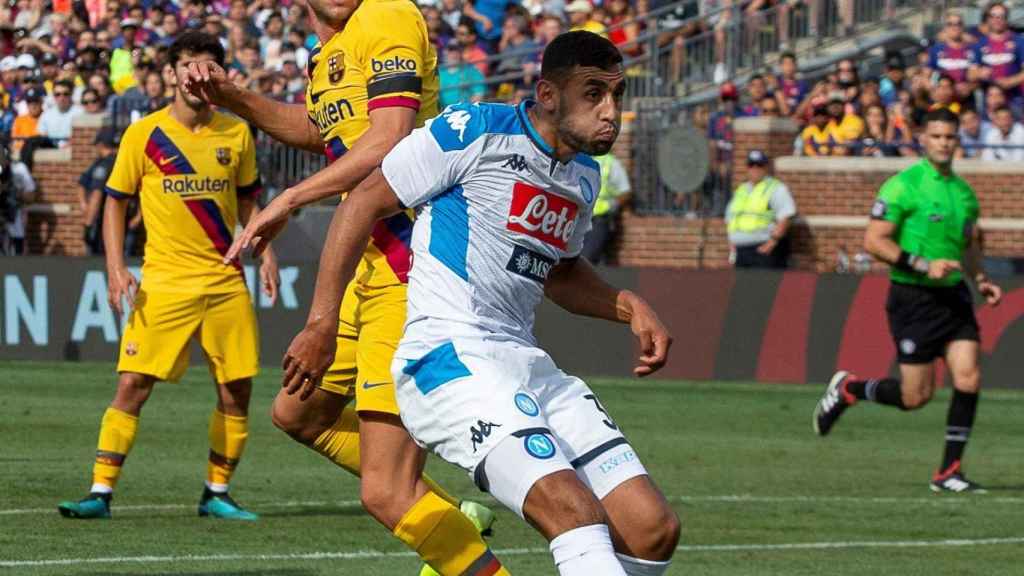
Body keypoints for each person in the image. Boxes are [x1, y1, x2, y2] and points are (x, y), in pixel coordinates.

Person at [284, 30, 680, 576]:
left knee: (651, 529)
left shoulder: (584, 175)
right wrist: (321, 323)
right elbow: (362, 204)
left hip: (523, 362)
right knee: (574, 513)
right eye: (594, 94)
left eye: (617, 95)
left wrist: (629, 305)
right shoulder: (473, 131)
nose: (610, 112)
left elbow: (560, 272)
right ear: (547, 94)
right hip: (449, 356)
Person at [181, 1, 506, 574]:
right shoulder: (327, 51)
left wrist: (290, 197)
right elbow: (318, 130)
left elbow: (390, 139)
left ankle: (458, 537)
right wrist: (234, 98)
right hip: (370, 264)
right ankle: (452, 519)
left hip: (415, 267)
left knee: (384, 492)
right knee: (298, 414)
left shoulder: (386, 15)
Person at [56, 31, 281, 521]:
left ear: (219, 75)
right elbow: (115, 202)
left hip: (224, 280)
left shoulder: (235, 132)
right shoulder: (145, 135)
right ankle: (100, 492)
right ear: (171, 74)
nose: (195, 74)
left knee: (237, 387)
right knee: (133, 383)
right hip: (163, 280)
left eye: (206, 65)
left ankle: (216, 492)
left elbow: (248, 199)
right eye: (186, 65)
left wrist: (264, 248)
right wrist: (116, 268)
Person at [814, 108, 1002, 493]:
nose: (944, 143)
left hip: (954, 296)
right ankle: (851, 389)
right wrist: (922, 264)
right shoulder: (903, 185)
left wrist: (980, 278)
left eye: (950, 137)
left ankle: (948, 472)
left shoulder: (964, 193)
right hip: (912, 297)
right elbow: (874, 241)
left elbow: (968, 245)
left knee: (969, 376)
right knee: (914, 397)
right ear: (923, 139)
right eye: (936, 136)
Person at [725, 150, 795, 268]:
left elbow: (786, 216)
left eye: (759, 165)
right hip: (740, 251)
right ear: (747, 168)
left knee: (764, 285)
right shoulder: (741, 190)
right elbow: (730, 218)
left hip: (762, 251)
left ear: (766, 167)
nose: (755, 169)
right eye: (751, 165)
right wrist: (731, 244)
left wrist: (772, 243)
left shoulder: (775, 188)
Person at [581, 152, 631, 264]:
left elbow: (625, 192)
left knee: (587, 258)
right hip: (578, 219)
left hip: (599, 220)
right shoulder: (578, 159)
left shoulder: (610, 163)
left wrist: (611, 206)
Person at [78, 128, 119, 255]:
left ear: (101, 145)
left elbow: (97, 194)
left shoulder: (104, 165)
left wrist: (88, 224)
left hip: (105, 223)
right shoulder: (122, 161)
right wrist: (84, 204)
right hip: (122, 219)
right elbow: (82, 183)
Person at [439, 39, 486, 109]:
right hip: (442, 113)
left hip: (465, 112)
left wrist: (466, 109)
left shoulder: (471, 70)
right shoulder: (438, 72)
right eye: (451, 50)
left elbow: (479, 93)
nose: (454, 54)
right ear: (445, 52)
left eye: (458, 50)